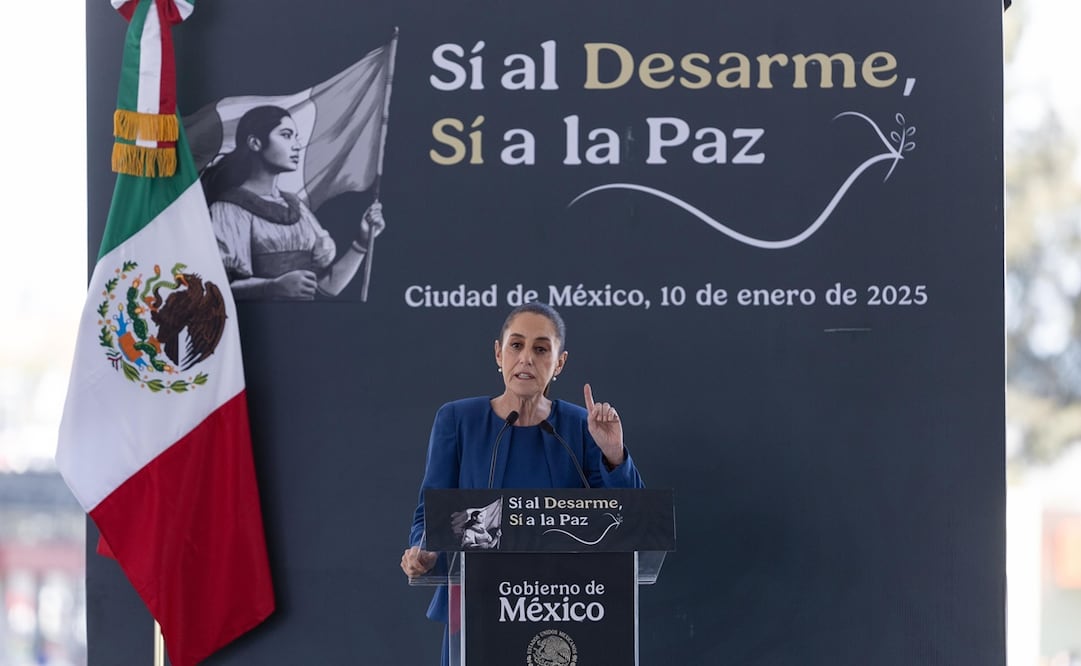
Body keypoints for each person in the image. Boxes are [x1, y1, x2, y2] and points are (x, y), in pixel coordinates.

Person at [400, 302, 644, 665]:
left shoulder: (581, 425)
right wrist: (425, 552)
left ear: (559, 363)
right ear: (499, 353)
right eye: (516, 345)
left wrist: (613, 453)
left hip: (566, 609)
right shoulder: (457, 420)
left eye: (541, 348)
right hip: (477, 609)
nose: (526, 358)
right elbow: (429, 516)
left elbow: (632, 522)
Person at [200, 105, 385, 300]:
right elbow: (216, 288)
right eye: (286, 135)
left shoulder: (296, 206)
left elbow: (327, 287)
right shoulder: (229, 210)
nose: (296, 145)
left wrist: (362, 242)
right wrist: (271, 286)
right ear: (255, 143)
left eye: (296, 137)